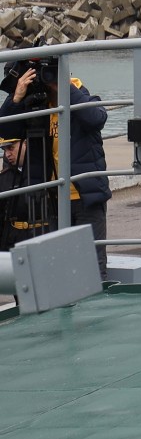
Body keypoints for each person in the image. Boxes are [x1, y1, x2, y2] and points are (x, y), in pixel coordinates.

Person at [0, 57, 110, 277]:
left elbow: (95, 118)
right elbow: (7, 130)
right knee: (58, 269)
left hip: (84, 195)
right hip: (50, 199)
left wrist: (62, 87)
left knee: (93, 268)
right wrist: (17, 97)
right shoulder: (36, 107)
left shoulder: (78, 94)